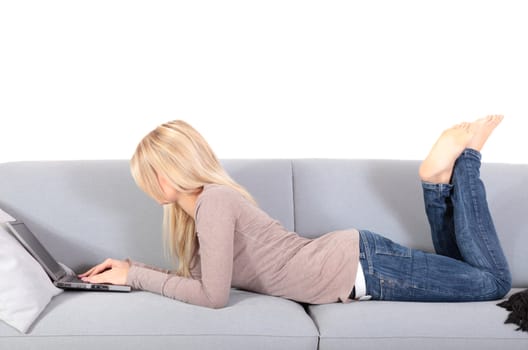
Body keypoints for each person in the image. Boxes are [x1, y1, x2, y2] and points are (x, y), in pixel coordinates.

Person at [80, 115, 512, 308]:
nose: (142, 186)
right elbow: (204, 282)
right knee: (465, 269)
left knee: (493, 284)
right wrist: (130, 268)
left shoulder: (214, 202)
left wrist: (135, 276)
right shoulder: (204, 208)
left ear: (165, 176)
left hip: (365, 267)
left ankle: (467, 157)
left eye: (144, 176)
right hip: (359, 262)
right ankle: (437, 182)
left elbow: (213, 298)